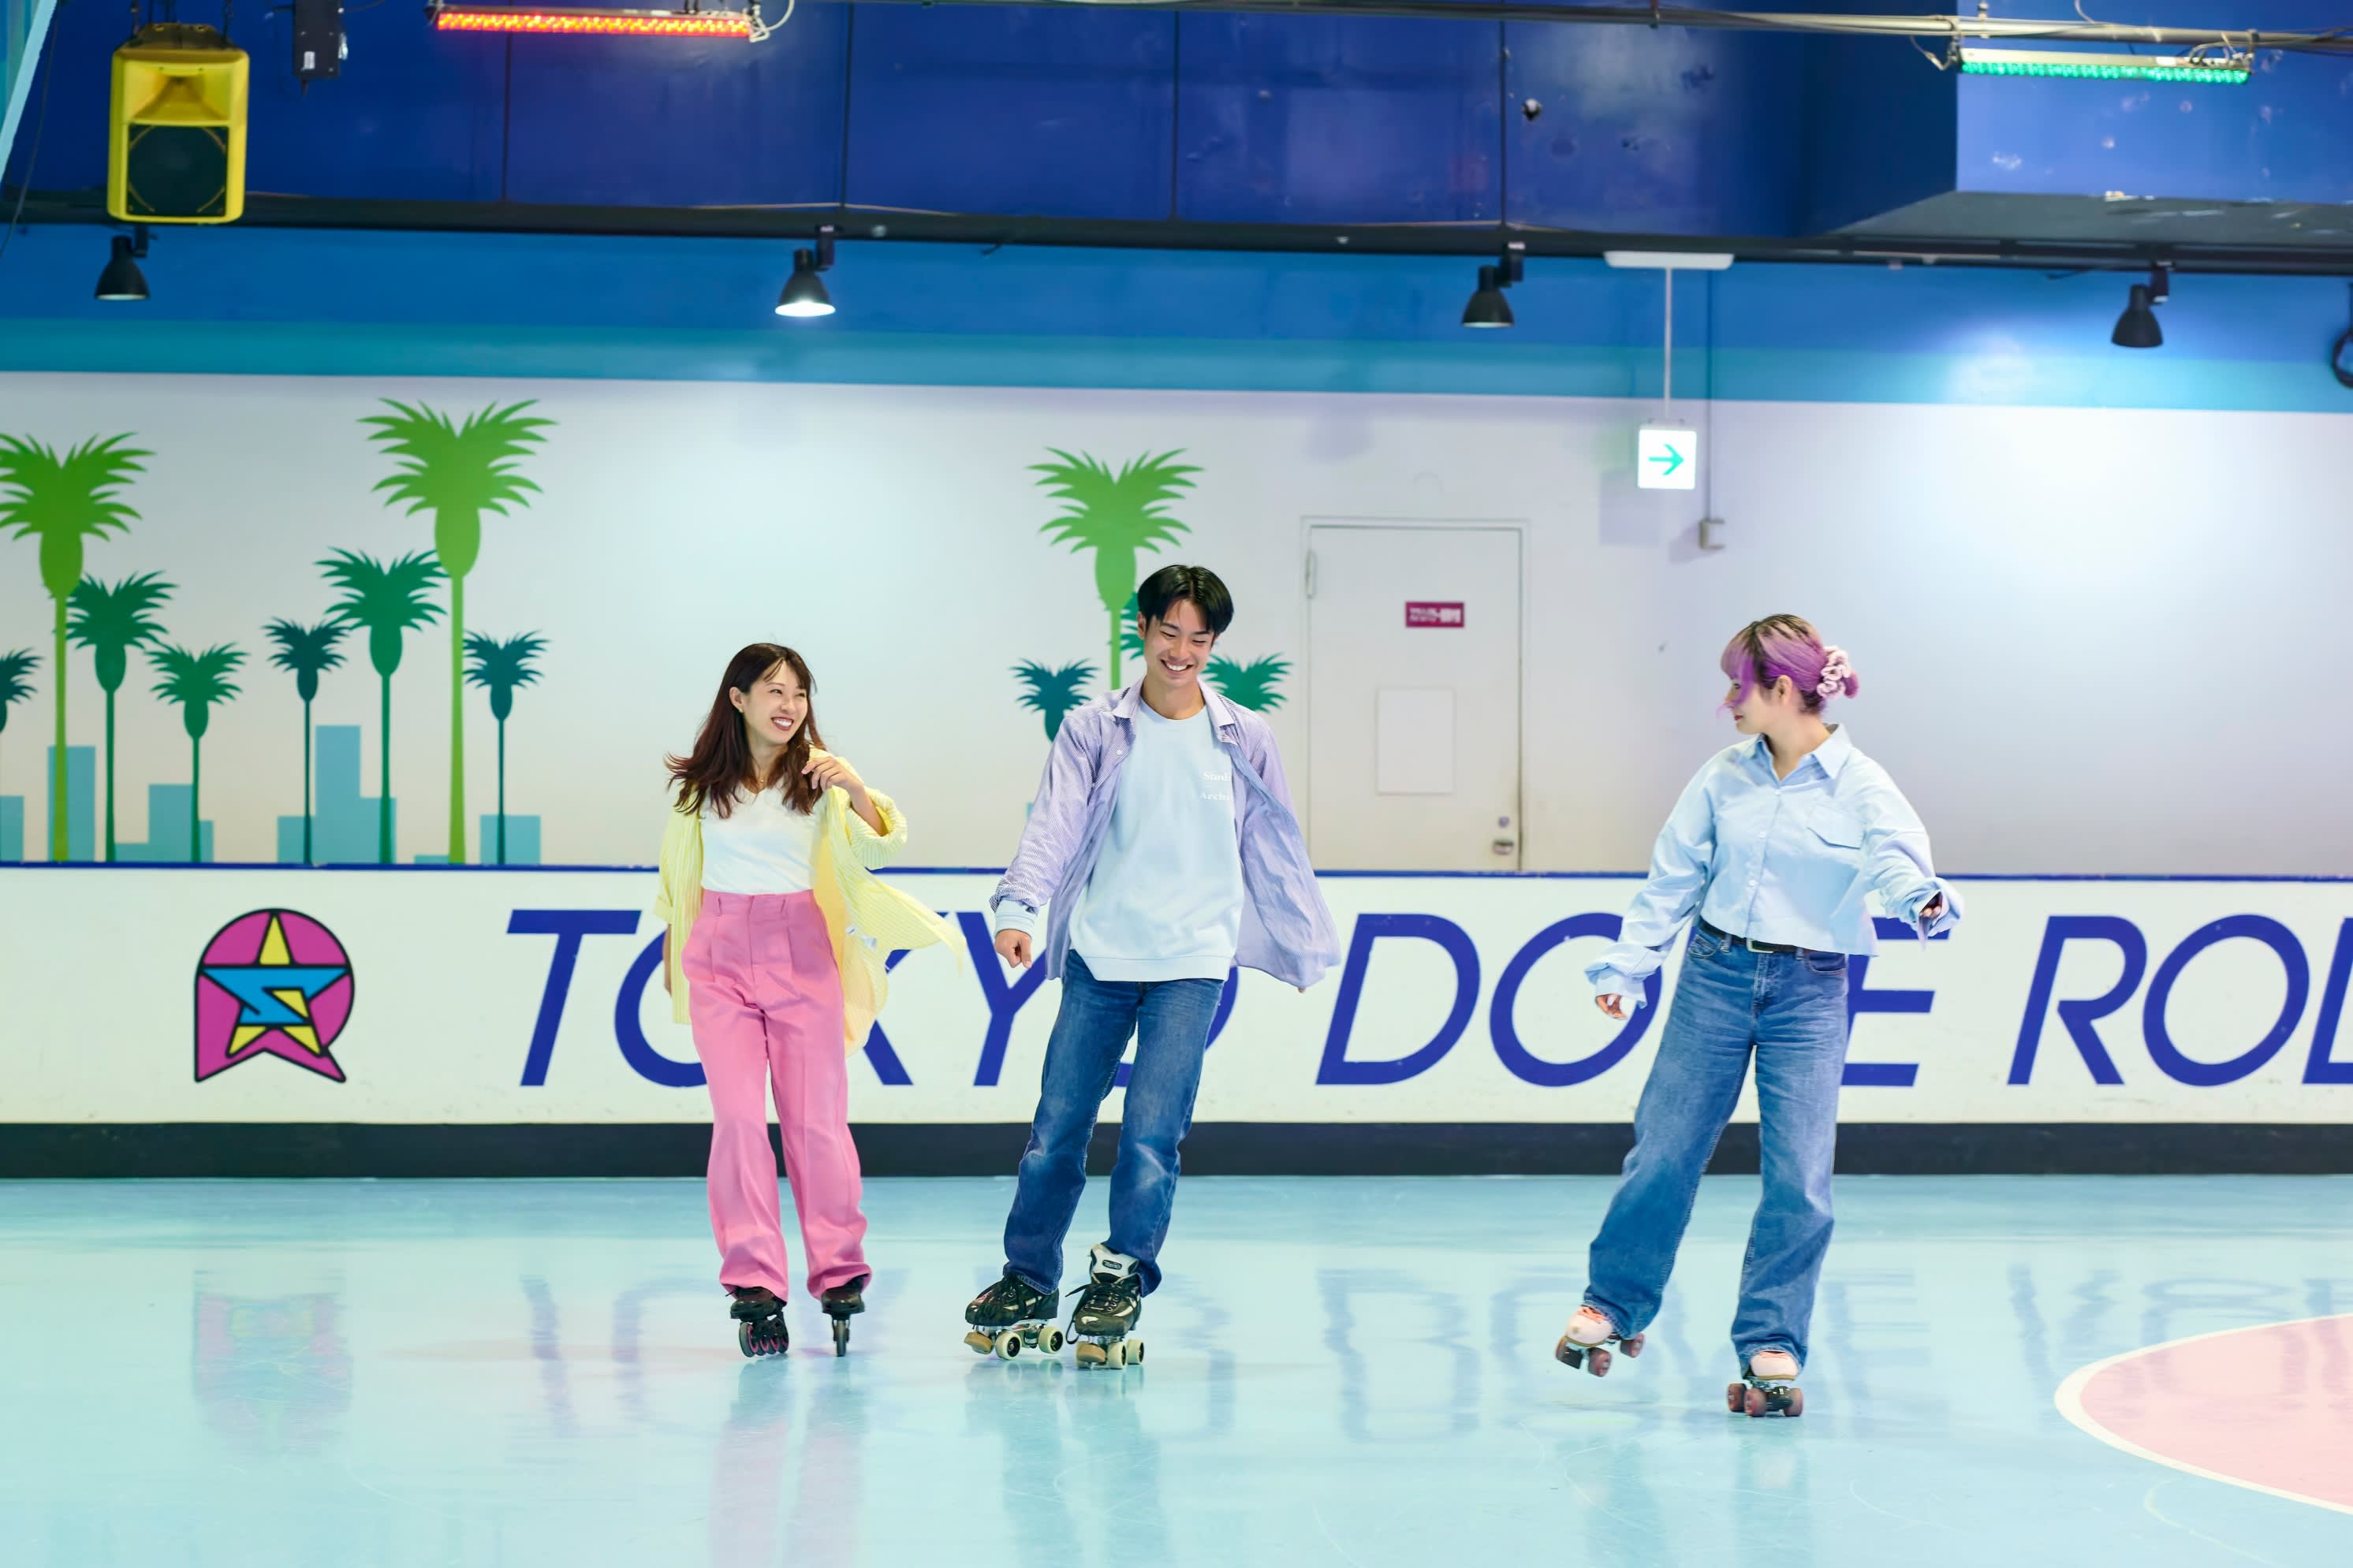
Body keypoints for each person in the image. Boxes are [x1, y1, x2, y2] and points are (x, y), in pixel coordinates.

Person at [1557, 615, 1959, 1417]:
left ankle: (1771, 1338)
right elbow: (1674, 875)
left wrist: (1921, 897)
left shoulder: (1861, 784)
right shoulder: (1721, 776)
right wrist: (1630, 963)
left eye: (1735, 685)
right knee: (1664, 1150)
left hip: (1809, 989)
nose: (1726, 701)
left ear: (1779, 689)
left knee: (1799, 1176)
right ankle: (1614, 1301)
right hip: (1713, 974)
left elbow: (1895, 858)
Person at [962, 564, 1341, 1368]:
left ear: (1213, 644)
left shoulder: (1243, 736)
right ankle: (1028, 1276)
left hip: (1192, 965)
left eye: (1198, 638)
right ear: (1141, 628)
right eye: (1169, 632)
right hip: (1101, 956)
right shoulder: (1094, 729)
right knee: (1056, 1130)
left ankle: (1120, 1274)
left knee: (1150, 1136)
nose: (1181, 651)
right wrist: (1019, 907)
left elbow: (1273, 841)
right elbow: (1055, 824)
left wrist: (1300, 936)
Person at [656, 642, 956, 1358]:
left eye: (798, 692)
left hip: (801, 950)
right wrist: (675, 954)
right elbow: (678, 877)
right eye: (774, 690)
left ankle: (839, 1267)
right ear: (738, 699)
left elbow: (883, 844)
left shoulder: (821, 778)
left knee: (816, 1122)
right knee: (737, 1122)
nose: (789, 705)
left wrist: (855, 785)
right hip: (717, 956)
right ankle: (755, 1281)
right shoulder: (700, 785)